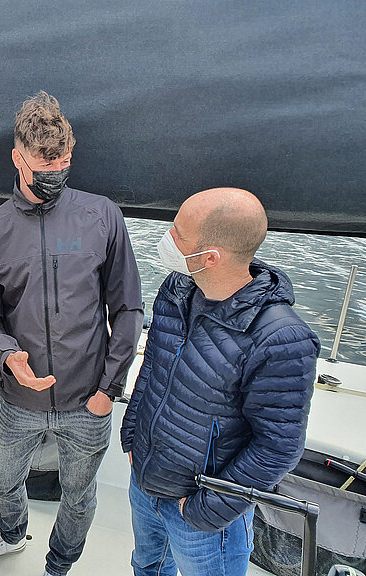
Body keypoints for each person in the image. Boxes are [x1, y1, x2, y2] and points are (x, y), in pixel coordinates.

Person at [0, 92, 144, 576]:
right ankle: (11, 533)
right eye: (46, 161)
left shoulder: (102, 215)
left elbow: (127, 308)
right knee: (1, 480)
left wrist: (109, 390)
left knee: (79, 497)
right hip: (17, 399)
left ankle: (58, 566)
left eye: (64, 159)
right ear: (19, 159)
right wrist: (6, 355)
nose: (57, 170)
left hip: (89, 401)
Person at [120, 188, 321, 576]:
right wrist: (132, 436)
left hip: (201, 514)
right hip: (145, 481)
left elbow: (278, 447)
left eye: (178, 233)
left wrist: (206, 509)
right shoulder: (176, 289)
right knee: (146, 566)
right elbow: (153, 368)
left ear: (210, 257)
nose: (168, 239)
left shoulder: (282, 338)